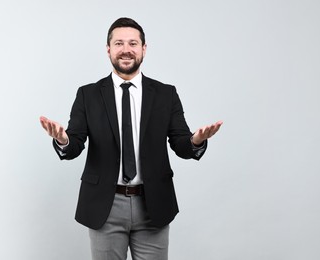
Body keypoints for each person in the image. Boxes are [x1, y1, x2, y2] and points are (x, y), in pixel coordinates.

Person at [40, 17, 222, 260]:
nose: (126, 50)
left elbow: (181, 144)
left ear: (144, 49)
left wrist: (196, 141)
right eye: (119, 43)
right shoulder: (88, 95)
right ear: (108, 50)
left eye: (133, 43)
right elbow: (74, 145)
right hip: (105, 205)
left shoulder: (166, 94)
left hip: (153, 203)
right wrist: (62, 139)